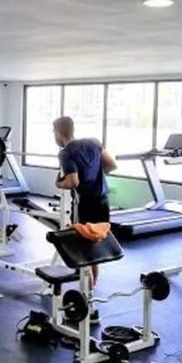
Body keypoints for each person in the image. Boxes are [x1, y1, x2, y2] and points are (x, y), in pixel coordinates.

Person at [53, 116, 117, 322]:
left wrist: (59, 183)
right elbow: (111, 165)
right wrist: (95, 175)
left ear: (59, 132)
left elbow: (72, 182)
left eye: (54, 132)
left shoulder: (66, 152)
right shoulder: (93, 142)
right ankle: (90, 297)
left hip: (85, 205)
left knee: (84, 254)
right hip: (103, 202)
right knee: (94, 251)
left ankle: (88, 306)